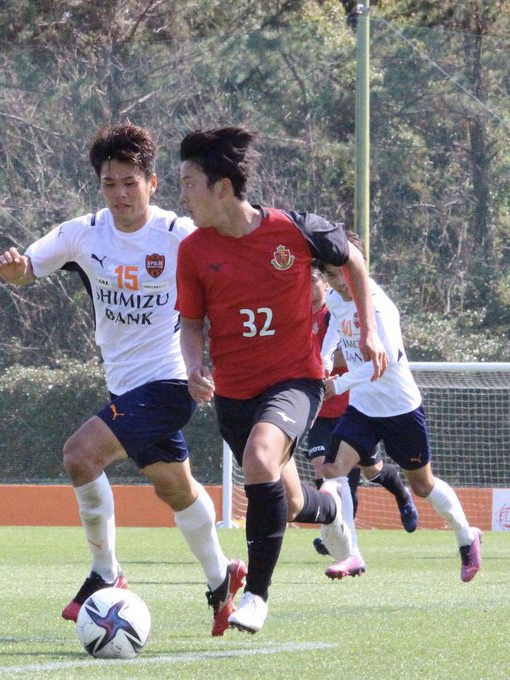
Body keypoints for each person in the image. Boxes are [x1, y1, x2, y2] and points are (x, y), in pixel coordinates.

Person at [0, 123, 246, 637]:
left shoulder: (180, 235)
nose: (120, 194)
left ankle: (106, 572)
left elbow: (226, 290)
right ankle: (222, 578)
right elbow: (29, 268)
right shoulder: (83, 233)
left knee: (79, 455)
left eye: (131, 183)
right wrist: (15, 270)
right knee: (175, 489)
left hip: (170, 385)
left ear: (152, 183)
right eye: (110, 184)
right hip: (124, 387)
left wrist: (209, 365)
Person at [175, 126, 388, 634]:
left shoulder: (295, 230)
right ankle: (331, 510)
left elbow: (353, 259)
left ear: (222, 188)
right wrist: (193, 367)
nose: (182, 196)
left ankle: (257, 596)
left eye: (188, 184)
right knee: (289, 502)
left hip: (296, 380)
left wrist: (370, 330)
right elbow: (192, 324)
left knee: (259, 457)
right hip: (234, 394)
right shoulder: (193, 251)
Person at [320, 230, 482, 582]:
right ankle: (352, 554)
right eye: (330, 275)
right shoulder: (334, 297)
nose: (336, 282)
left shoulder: (380, 307)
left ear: (359, 267)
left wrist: (338, 384)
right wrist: (323, 358)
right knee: (333, 469)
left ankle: (467, 536)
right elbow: (334, 324)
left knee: (423, 486)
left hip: (400, 409)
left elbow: (386, 360)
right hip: (363, 408)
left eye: (341, 273)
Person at [307, 266, 418, 558]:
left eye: (313, 280)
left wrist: (324, 364)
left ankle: (401, 493)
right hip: (320, 409)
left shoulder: (350, 307)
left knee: (371, 471)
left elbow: (360, 353)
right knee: (324, 467)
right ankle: (338, 534)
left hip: (350, 404)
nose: (308, 287)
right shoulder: (303, 314)